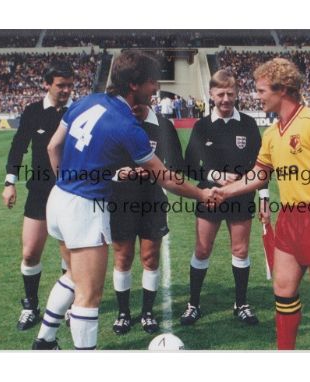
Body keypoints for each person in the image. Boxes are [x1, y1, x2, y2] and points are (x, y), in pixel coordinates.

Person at [32, 50, 214, 350]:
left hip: (59, 199)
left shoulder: (86, 101)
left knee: (73, 276)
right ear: (134, 85)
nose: (155, 88)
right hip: (85, 207)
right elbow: (165, 177)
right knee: (88, 296)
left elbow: (54, 146)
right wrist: (202, 193)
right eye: (152, 82)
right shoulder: (127, 125)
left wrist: (68, 181)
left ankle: (44, 342)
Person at [214, 58, 310, 350]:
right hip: (288, 221)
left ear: (283, 90)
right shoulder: (271, 133)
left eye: (262, 90)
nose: (257, 96)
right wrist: (225, 192)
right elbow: (258, 174)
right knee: (283, 291)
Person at [181, 70, 267, 326]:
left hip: (241, 197)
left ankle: (241, 303)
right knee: (202, 248)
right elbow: (188, 166)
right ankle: (193, 304)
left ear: (237, 93)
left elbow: (262, 166)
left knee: (240, 250)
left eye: (230, 93)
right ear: (211, 95)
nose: (226, 99)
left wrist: (264, 198)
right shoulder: (202, 126)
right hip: (210, 195)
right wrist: (215, 174)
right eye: (221, 94)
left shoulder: (249, 124)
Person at [1, 61, 74, 331]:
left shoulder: (76, 112)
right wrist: (10, 182)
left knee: (69, 257)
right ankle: (30, 305)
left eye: (69, 85)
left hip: (70, 192)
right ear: (47, 84)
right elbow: (18, 147)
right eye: (60, 85)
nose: (66, 90)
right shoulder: (33, 111)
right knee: (30, 252)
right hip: (40, 191)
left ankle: (68, 304)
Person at [110, 105, 185, 335]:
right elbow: (102, 162)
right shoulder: (116, 123)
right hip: (122, 199)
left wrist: (157, 172)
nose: (133, 104)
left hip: (152, 199)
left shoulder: (163, 126)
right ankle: (123, 313)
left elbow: (177, 166)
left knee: (150, 258)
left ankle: (147, 312)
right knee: (123, 257)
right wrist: (118, 173)